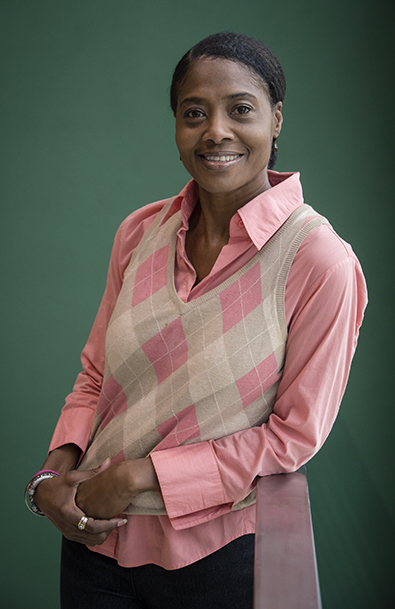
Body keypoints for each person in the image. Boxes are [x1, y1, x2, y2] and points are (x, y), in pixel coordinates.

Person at [25, 32, 367, 609]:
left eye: (240, 110)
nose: (215, 131)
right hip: (94, 543)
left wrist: (137, 477)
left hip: (216, 555)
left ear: (276, 120)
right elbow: (95, 375)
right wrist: (51, 480)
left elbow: (292, 438)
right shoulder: (140, 232)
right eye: (193, 113)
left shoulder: (317, 260)